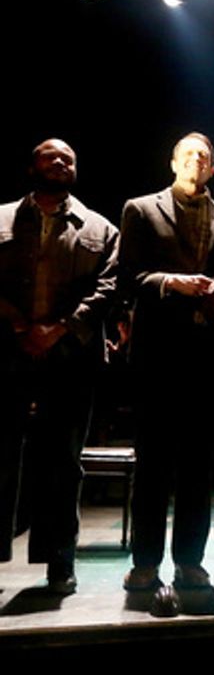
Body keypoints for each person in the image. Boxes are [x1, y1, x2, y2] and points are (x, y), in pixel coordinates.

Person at [118, 132, 214, 592]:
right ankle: (145, 563)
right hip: (157, 355)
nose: (197, 161)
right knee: (153, 466)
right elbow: (128, 277)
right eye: (189, 154)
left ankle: (190, 561)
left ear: (213, 168)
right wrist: (172, 282)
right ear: (173, 162)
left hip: (207, 355)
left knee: (197, 468)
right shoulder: (140, 209)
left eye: (205, 157)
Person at [0, 139, 119, 594]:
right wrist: (17, 325)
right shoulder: (3, 218)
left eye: (69, 157)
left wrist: (60, 329)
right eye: (51, 156)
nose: (60, 162)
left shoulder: (100, 228)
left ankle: (59, 563)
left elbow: (109, 287)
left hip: (71, 361)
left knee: (63, 463)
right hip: (7, 355)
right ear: (32, 165)